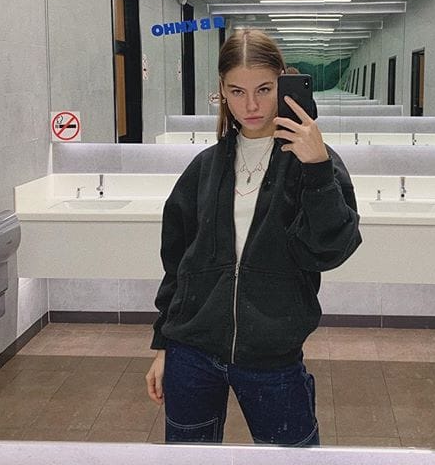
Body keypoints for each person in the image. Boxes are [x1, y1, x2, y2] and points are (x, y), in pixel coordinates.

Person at [145, 28, 361, 446]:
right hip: (191, 354)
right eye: (237, 91)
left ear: (283, 83)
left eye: (264, 89)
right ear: (222, 92)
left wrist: (317, 169)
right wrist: (163, 345)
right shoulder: (204, 168)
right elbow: (177, 265)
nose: (251, 105)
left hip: (273, 359)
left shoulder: (313, 163)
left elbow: (331, 248)